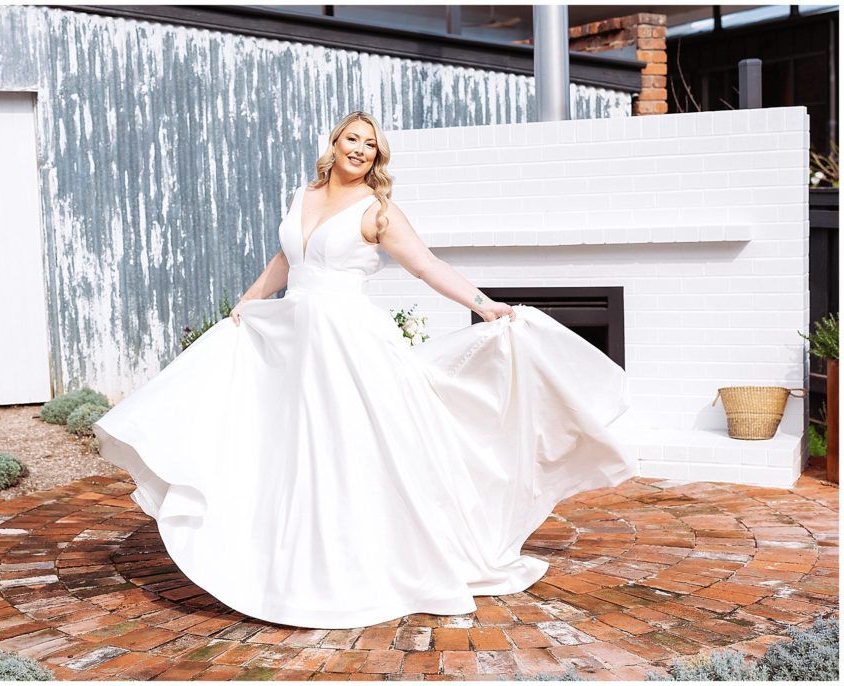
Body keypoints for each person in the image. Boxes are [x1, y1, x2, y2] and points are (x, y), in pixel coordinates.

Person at [93, 111, 634, 630]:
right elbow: (286, 260)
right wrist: (247, 301)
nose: (359, 149)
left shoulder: (378, 210)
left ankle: (363, 565)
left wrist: (483, 302)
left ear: (378, 155)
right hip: (293, 342)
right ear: (334, 143)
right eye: (352, 138)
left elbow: (426, 265)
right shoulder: (300, 195)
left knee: (354, 448)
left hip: (349, 343)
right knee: (288, 449)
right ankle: (287, 567)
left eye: (369, 143)